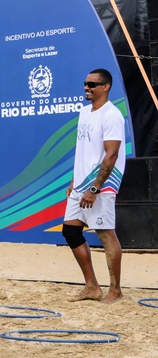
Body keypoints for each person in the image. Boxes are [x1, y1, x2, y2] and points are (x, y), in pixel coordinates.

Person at [64, 68, 126, 303]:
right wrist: (75, 180)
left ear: (106, 86)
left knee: (105, 234)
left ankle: (116, 291)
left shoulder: (111, 115)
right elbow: (84, 151)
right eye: (85, 83)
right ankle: (92, 287)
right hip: (81, 184)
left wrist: (94, 188)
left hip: (101, 185)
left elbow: (111, 155)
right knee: (70, 231)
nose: (86, 88)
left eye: (91, 84)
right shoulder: (84, 112)